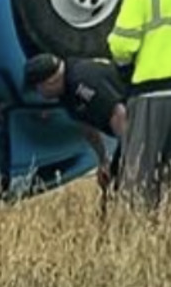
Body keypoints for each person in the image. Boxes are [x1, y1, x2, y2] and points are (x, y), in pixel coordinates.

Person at [107, 0, 171, 201]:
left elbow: (121, 46)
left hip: (152, 95)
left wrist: (123, 72)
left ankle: (140, 240)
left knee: (140, 182)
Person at [21, 50, 126, 190]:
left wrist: (128, 156)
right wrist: (103, 160)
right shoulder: (65, 90)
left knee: (126, 179)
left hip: (140, 114)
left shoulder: (80, 82)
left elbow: (119, 113)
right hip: (127, 126)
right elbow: (86, 126)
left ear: (50, 82)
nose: (38, 94)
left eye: (38, 89)